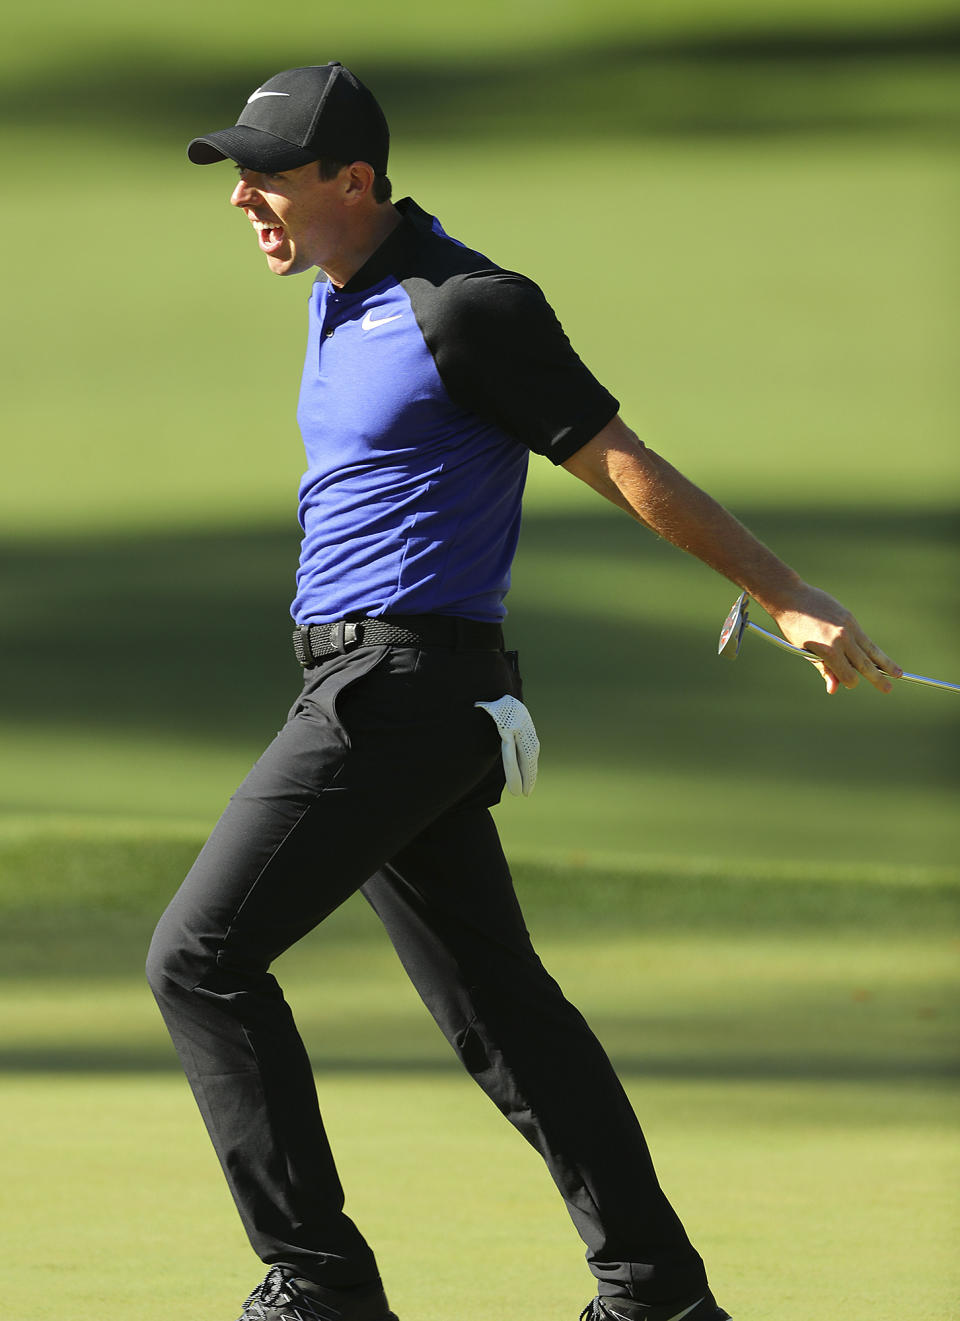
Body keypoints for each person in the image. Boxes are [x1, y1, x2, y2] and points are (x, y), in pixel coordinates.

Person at [146, 61, 900, 1321]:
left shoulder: (468, 304)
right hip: (379, 689)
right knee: (504, 1011)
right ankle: (655, 1290)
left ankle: (321, 1285)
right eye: (238, 179)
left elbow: (623, 462)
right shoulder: (343, 297)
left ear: (354, 179)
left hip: (397, 692)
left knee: (198, 961)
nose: (243, 201)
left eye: (267, 177)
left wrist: (786, 596)